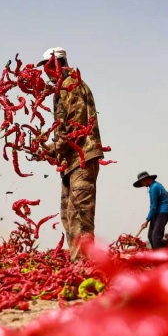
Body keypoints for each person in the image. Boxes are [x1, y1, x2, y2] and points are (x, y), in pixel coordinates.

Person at [37, 47, 104, 262]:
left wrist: (52, 148)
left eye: (48, 68)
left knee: (81, 216)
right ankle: (78, 264)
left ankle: (85, 266)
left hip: (82, 157)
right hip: (71, 160)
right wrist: (49, 148)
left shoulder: (71, 86)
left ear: (57, 64)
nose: (45, 74)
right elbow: (63, 130)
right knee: (69, 214)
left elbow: (74, 128)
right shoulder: (61, 89)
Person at [134, 171, 168, 249]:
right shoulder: (157, 185)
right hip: (156, 213)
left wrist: (147, 220)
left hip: (162, 213)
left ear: (145, 179)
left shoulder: (154, 187)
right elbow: (167, 194)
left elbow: (153, 206)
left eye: (142, 183)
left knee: (155, 237)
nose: (143, 185)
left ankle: (161, 257)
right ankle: (164, 245)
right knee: (150, 236)